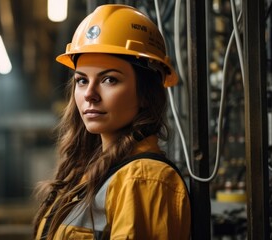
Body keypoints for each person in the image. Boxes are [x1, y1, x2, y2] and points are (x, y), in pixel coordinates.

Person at [33, 4, 191, 240]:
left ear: (147, 93)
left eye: (109, 79)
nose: (89, 94)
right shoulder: (86, 175)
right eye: (82, 80)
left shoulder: (144, 179)